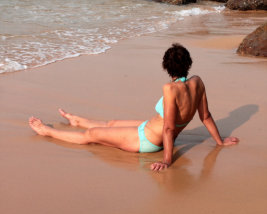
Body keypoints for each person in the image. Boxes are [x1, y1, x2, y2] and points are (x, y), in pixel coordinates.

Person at [29, 43, 239, 171]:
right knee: (111, 123)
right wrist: (219, 142)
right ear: (189, 63)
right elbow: (206, 116)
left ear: (166, 67)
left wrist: (166, 161)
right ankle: (77, 120)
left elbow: (168, 128)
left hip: (147, 140)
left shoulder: (170, 88)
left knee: (91, 135)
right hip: (149, 128)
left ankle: (46, 131)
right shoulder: (198, 81)